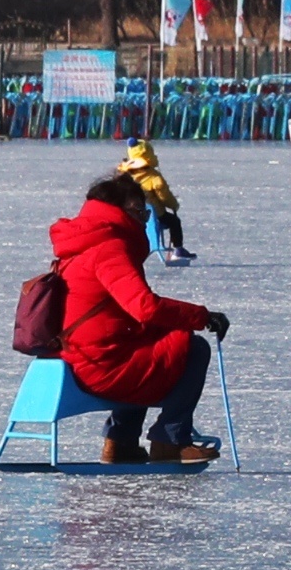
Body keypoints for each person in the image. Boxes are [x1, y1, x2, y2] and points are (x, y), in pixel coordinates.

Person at [51, 174, 228, 466]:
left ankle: (121, 442)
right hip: (101, 364)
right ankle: (170, 440)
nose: (144, 221)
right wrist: (200, 316)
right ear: (120, 211)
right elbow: (144, 307)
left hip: (80, 355)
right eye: (139, 211)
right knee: (194, 349)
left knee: (146, 346)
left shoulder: (81, 244)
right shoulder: (110, 248)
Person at [117, 136, 197, 262]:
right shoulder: (154, 177)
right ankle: (178, 249)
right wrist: (174, 205)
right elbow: (164, 197)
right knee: (174, 221)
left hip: (130, 214)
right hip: (153, 214)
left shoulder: (124, 176)